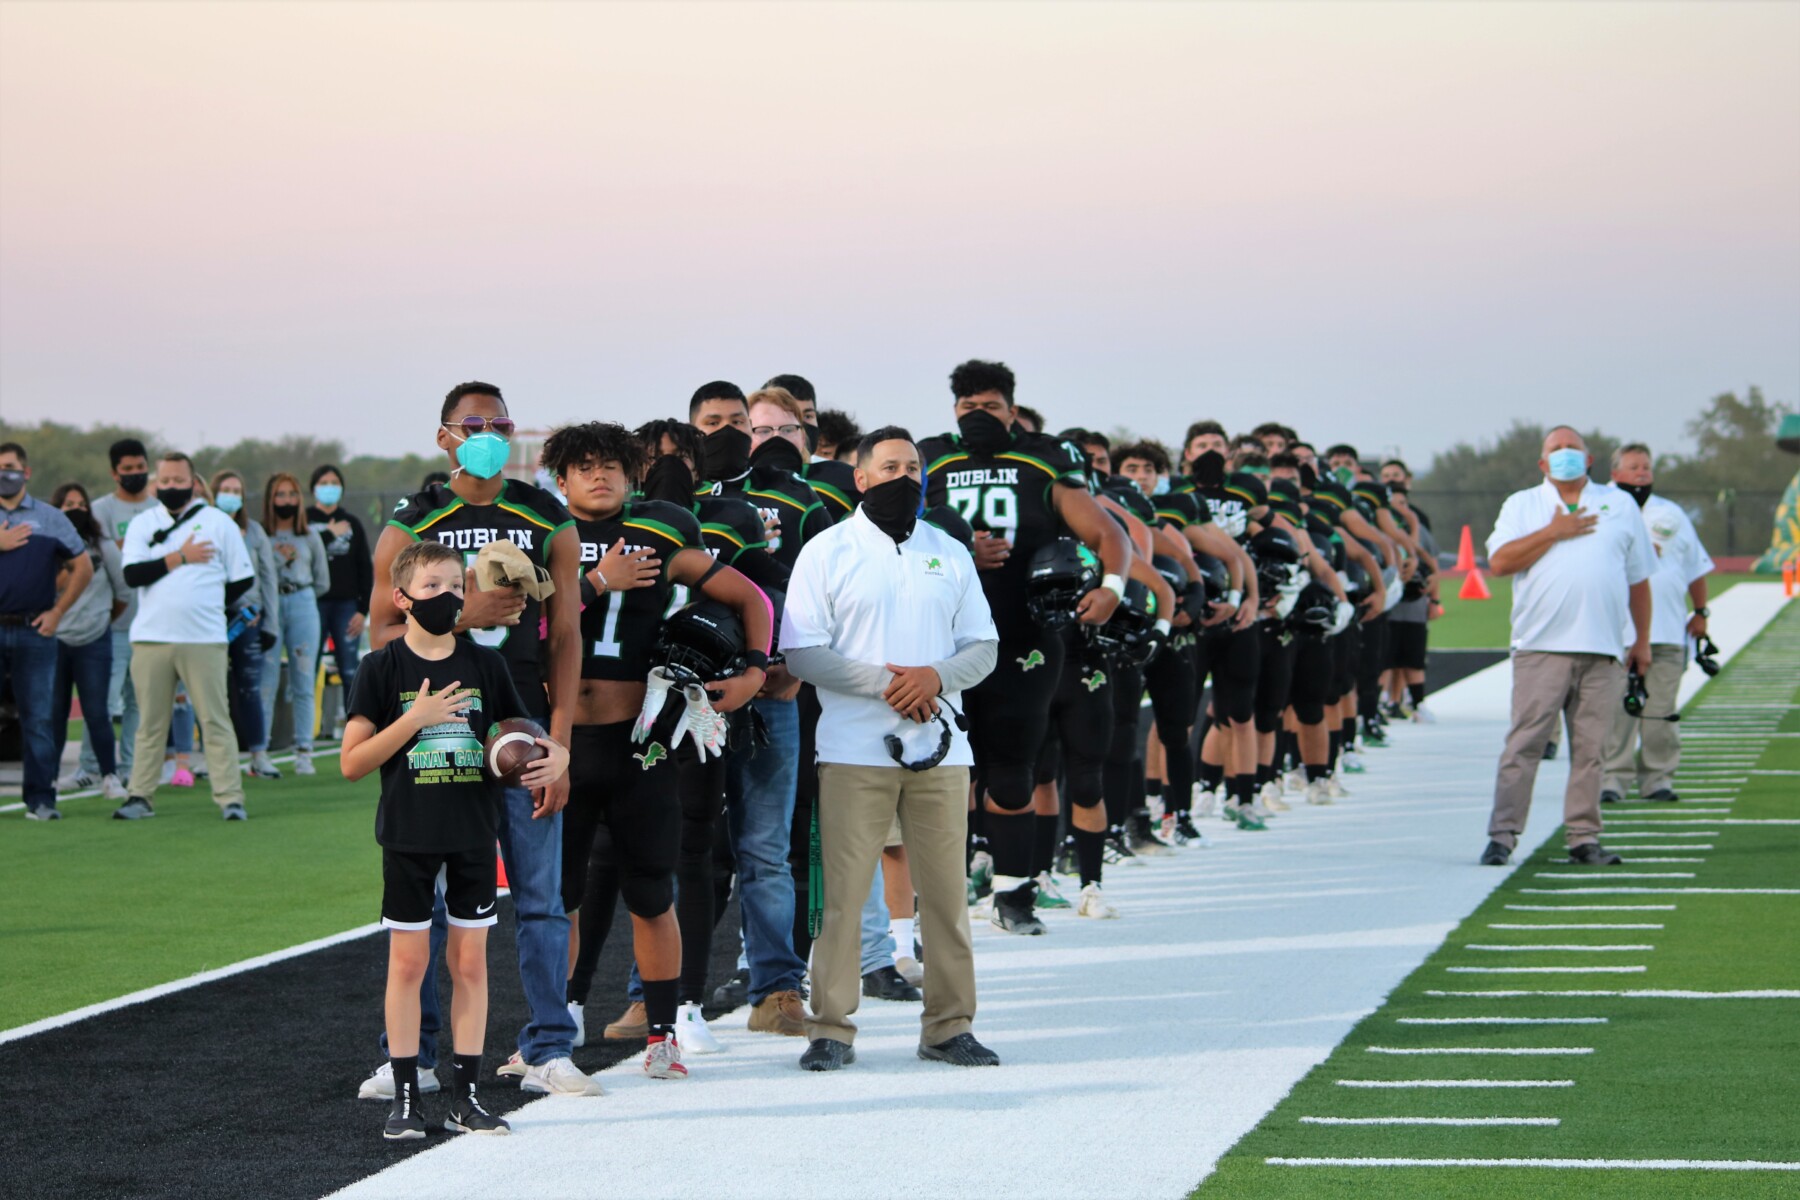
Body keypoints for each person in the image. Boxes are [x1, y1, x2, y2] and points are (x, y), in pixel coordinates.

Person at [359, 381, 592, 1102]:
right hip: (437, 730)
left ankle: (549, 1048)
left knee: (541, 899)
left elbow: (568, 634)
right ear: (445, 436)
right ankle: (415, 1055)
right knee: (426, 906)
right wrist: (466, 614)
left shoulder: (545, 513)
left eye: (497, 422)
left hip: (516, 726)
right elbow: (381, 630)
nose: (485, 432)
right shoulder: (418, 516)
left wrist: (559, 743)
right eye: (472, 423)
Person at [540, 420, 771, 1076]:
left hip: (640, 741)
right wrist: (595, 582)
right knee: (559, 896)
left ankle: (663, 1032)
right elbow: (521, 621)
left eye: (612, 464)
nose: (600, 475)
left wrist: (753, 670)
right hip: (561, 741)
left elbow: (747, 595)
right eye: (584, 465)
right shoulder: (541, 535)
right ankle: (560, 1020)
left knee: (650, 889)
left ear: (633, 472)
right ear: (561, 479)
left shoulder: (662, 530)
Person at [783, 426, 1001, 1071]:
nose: (901, 478)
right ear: (861, 478)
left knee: (946, 898)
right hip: (854, 748)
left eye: (911, 467)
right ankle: (831, 1028)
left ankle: (948, 1027)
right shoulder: (827, 551)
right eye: (887, 467)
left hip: (941, 748)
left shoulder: (949, 551)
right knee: (845, 896)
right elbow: (802, 651)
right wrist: (887, 684)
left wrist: (935, 678)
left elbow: (983, 647)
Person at [341, 538, 570, 1140]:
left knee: (469, 964)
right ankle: (408, 1095)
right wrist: (412, 721)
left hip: (472, 833)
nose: (446, 596)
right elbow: (352, 762)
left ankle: (466, 1099)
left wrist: (555, 753)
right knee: (409, 963)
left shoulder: (484, 665)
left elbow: (521, 733)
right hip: (409, 835)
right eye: (432, 587)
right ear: (402, 598)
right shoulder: (381, 668)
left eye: (454, 586)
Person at [918, 360, 1126, 933]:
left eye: (989, 406)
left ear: (1011, 408)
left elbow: (1109, 534)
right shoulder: (930, 458)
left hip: (1024, 636)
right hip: (943, 638)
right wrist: (961, 552)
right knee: (946, 772)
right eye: (967, 407)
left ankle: (1014, 894)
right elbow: (894, 541)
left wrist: (1111, 587)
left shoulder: (1042, 458)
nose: (977, 416)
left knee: (1012, 770)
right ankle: (947, 896)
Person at [690, 382, 823, 1036]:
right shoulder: (669, 498)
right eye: (710, 421)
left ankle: (778, 992)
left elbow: (828, 587)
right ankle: (659, 999)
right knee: (689, 851)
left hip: (772, 692)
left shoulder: (798, 498)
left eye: (735, 421)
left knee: (767, 850)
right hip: (689, 700)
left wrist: (794, 665)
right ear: (692, 428)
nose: (724, 431)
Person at [1479, 427, 1654, 867]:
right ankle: (1502, 835)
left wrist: (1643, 641)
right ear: (1542, 464)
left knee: (1591, 751)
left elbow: (1638, 580)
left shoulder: (1619, 505)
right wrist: (1554, 532)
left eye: (1572, 448)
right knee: (1524, 746)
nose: (1565, 454)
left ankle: (1583, 838)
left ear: (1589, 458)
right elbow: (1500, 563)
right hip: (1541, 646)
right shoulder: (1523, 504)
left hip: (1603, 649)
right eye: (1555, 449)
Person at [113, 452, 255, 821]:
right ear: (156, 483)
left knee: (215, 720)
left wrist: (208, 602)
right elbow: (132, 575)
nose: (172, 487)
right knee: (150, 723)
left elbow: (243, 578)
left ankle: (230, 798)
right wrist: (180, 557)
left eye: (179, 480)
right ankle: (139, 796)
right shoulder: (144, 523)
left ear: (193, 483)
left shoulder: (218, 522)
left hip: (205, 638)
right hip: (151, 638)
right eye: (165, 481)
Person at [1602, 443, 1713, 804]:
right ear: (1615, 473)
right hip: (1614, 633)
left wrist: (1700, 612)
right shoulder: (1601, 508)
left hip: (1666, 632)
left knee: (1661, 712)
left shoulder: (1672, 513)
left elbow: (1695, 566)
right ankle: (1612, 780)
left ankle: (1658, 779)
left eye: (1646, 467)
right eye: (1633, 467)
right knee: (1618, 713)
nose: (1642, 473)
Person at [1, 443, 94, 820]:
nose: (3, 474)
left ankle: (40, 800)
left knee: (38, 717)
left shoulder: (51, 518)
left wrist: (57, 612)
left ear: (26, 472)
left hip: (34, 631)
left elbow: (83, 567)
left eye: (9, 467)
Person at [80, 437, 158, 787]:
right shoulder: (100, 511)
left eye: (140, 468)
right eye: (127, 470)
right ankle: (90, 766)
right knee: (101, 703)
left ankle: (128, 767)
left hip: (152, 624)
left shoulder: (160, 508)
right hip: (113, 625)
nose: (135, 474)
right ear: (114, 473)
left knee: (138, 704)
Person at [48, 483, 129, 802]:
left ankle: (109, 775)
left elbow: (123, 593)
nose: (76, 509)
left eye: (81, 503)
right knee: (54, 713)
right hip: (54, 639)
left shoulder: (104, 547)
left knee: (98, 712)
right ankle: (49, 777)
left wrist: (102, 620)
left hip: (94, 639)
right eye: (68, 503)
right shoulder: (47, 546)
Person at [211, 470, 284, 777]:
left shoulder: (254, 531)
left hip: (247, 619)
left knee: (249, 688)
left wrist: (270, 623)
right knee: (208, 691)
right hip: (209, 619)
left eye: (236, 490)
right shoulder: (203, 526)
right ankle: (201, 759)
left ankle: (258, 754)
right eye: (225, 489)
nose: (231, 495)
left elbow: (268, 577)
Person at [262, 473, 330, 775]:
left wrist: (299, 595)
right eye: (280, 495)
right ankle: (260, 750)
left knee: (304, 679)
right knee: (267, 680)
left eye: (291, 494)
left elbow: (322, 581)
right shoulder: (260, 534)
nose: (286, 500)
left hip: (303, 603)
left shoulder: (309, 536)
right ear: (270, 499)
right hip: (269, 607)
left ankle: (304, 750)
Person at [308, 464, 375, 713]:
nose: (329, 488)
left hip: (346, 606)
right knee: (307, 667)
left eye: (334, 483)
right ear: (314, 488)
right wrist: (327, 534)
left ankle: (353, 725)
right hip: (312, 604)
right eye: (323, 483)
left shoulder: (352, 523)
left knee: (349, 669)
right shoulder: (305, 521)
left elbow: (364, 569)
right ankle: (302, 728)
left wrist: (362, 610)